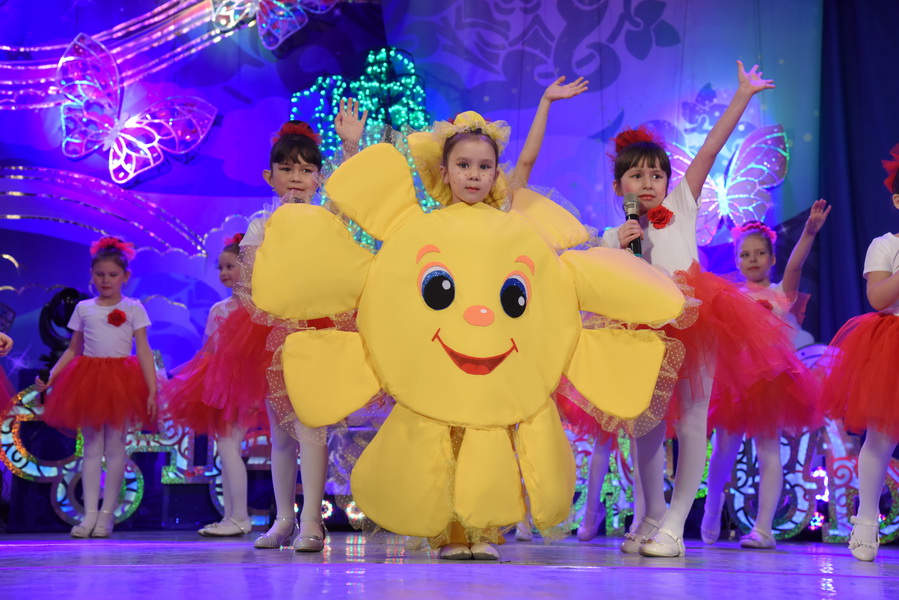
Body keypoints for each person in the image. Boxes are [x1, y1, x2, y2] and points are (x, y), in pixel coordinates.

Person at [602, 60, 775, 557]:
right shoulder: (616, 234)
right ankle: (651, 512)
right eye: (636, 175)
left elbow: (711, 148)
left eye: (656, 174)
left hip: (695, 319)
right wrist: (620, 246)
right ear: (618, 187)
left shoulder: (679, 205)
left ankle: (676, 523)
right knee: (646, 423)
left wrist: (742, 95)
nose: (648, 182)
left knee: (693, 421)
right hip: (643, 328)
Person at [702, 205, 828, 550]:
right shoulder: (732, 297)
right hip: (734, 385)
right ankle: (711, 508)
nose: (752, 259)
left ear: (772, 258)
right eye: (744, 254)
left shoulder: (780, 294)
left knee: (769, 451)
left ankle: (763, 528)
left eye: (759, 253)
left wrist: (809, 232)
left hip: (770, 384)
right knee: (722, 452)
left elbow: (796, 266)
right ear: (737, 260)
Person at [36, 237, 158, 538]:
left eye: (113, 274)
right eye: (100, 274)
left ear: (125, 276)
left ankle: (106, 515)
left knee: (115, 449)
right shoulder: (84, 308)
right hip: (89, 380)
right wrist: (52, 377)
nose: (106, 280)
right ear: (91, 274)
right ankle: (89, 514)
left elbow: (143, 351)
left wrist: (152, 390)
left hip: (121, 382)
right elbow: (72, 350)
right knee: (91, 449)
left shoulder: (133, 308)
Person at [822, 145, 899, 562]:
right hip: (891, 344)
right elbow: (878, 297)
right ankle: (867, 518)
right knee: (880, 437)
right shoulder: (884, 245)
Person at [166, 234, 263, 537]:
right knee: (226, 447)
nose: (224, 273)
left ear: (249, 266)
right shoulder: (218, 309)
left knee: (229, 446)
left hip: (246, 385)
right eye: (221, 267)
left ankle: (239, 518)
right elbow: (208, 352)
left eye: (230, 266)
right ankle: (232, 516)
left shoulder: (260, 308)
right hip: (222, 385)